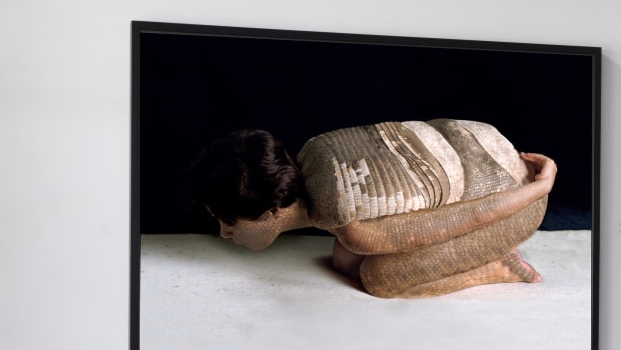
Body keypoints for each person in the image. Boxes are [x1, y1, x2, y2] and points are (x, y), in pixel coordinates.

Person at [187, 120, 556, 299]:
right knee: (347, 261)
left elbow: (472, 216)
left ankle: (496, 266)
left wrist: (542, 187)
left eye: (228, 222)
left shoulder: (355, 222)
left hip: (514, 203)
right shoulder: (314, 153)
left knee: (380, 279)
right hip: (483, 146)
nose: (223, 233)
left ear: (269, 212)